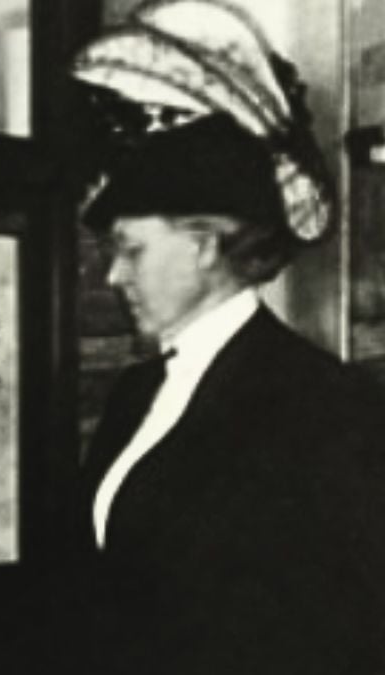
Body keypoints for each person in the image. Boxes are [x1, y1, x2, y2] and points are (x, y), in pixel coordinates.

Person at [62, 2, 385, 673]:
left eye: (132, 249)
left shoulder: (324, 406)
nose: (115, 273)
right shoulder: (135, 393)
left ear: (206, 244)